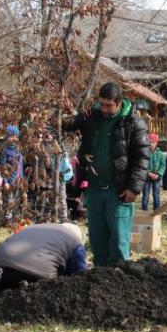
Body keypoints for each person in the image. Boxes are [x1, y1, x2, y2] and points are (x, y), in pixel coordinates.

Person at [60, 82, 150, 266]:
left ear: (118, 102)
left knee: (118, 241)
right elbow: (66, 125)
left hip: (118, 191)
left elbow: (141, 158)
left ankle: (120, 279)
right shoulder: (91, 117)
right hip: (93, 188)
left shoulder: (133, 123)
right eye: (101, 104)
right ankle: (101, 278)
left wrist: (134, 188)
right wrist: (61, 111)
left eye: (108, 105)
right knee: (97, 239)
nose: (104, 109)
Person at [0, 223, 88, 302]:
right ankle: (21, 294)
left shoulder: (36, 227)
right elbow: (80, 274)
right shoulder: (75, 241)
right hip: (32, 273)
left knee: (7, 281)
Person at [0, 125, 23, 226]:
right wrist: (5, 181)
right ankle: (7, 220)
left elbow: (20, 166)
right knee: (8, 200)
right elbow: (3, 166)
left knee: (16, 200)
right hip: (9, 181)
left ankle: (14, 218)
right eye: (12, 136)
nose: (15, 139)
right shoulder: (5, 151)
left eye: (16, 137)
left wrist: (21, 178)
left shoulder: (18, 150)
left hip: (18, 180)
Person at [142, 133, 166, 211]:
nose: (151, 144)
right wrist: (148, 173)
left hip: (157, 177)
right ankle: (144, 210)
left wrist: (158, 174)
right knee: (145, 195)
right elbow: (142, 164)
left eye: (153, 142)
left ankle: (156, 211)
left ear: (156, 143)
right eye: (149, 142)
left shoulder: (161, 154)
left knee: (156, 195)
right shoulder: (144, 153)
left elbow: (163, 165)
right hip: (146, 177)